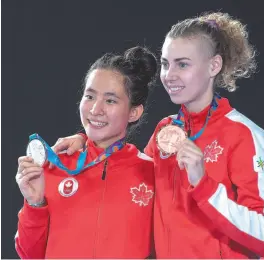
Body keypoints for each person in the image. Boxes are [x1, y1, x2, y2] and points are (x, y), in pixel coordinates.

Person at [50, 12, 264, 258]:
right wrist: (88, 141)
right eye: (166, 63)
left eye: (182, 64)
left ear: (214, 65)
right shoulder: (166, 130)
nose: (169, 75)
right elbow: (128, 172)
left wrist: (204, 185)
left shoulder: (244, 135)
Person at [15, 46, 157, 259]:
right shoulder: (55, 166)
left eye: (110, 100)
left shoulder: (152, 174)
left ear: (134, 112)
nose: (95, 109)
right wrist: (35, 203)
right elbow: (29, 255)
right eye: (90, 96)